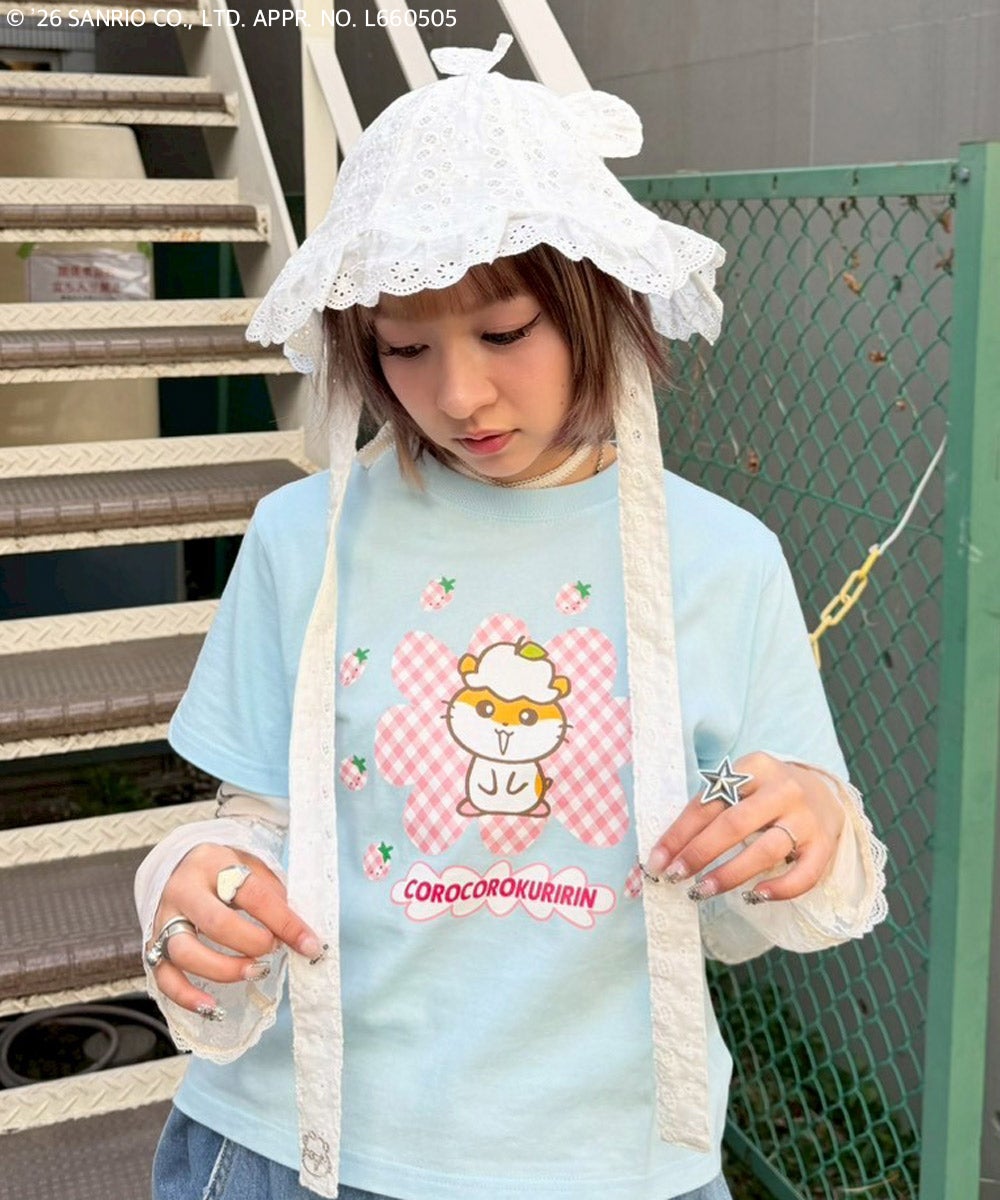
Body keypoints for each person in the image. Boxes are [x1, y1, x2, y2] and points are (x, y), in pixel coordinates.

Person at [136, 34, 887, 1200]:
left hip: (609, 1155)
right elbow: (266, 820)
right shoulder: (299, 537)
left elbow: (760, 865)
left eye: (504, 332)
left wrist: (800, 826)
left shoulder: (724, 558)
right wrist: (201, 879)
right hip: (297, 1143)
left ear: (599, 300)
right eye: (404, 347)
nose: (458, 394)